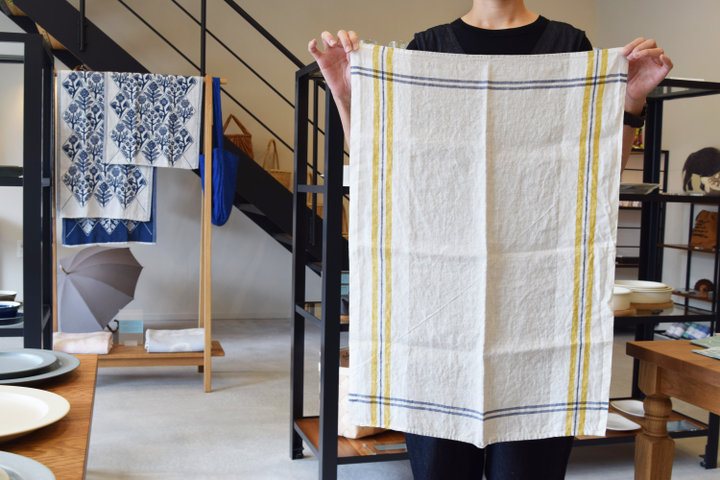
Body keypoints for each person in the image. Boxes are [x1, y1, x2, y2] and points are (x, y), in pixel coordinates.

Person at [309, 1, 673, 479]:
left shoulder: (570, 49)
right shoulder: (428, 50)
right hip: (438, 316)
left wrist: (631, 102)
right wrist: (345, 94)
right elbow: (385, 171)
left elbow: (596, 180)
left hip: (539, 312)